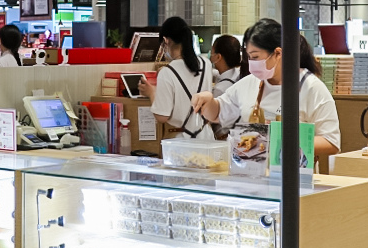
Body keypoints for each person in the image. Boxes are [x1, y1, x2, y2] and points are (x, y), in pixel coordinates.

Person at [192, 18, 341, 158]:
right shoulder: (250, 83)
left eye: (255, 57)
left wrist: (279, 144)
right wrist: (208, 101)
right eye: (249, 57)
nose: (251, 63)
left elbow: (331, 142)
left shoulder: (312, 88)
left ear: (277, 53)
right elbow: (217, 113)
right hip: (251, 175)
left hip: (293, 179)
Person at [139, 16, 213, 139]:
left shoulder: (167, 73)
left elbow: (162, 116)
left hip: (180, 141)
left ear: (166, 40)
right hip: (206, 136)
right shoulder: (206, 64)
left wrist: (151, 93)